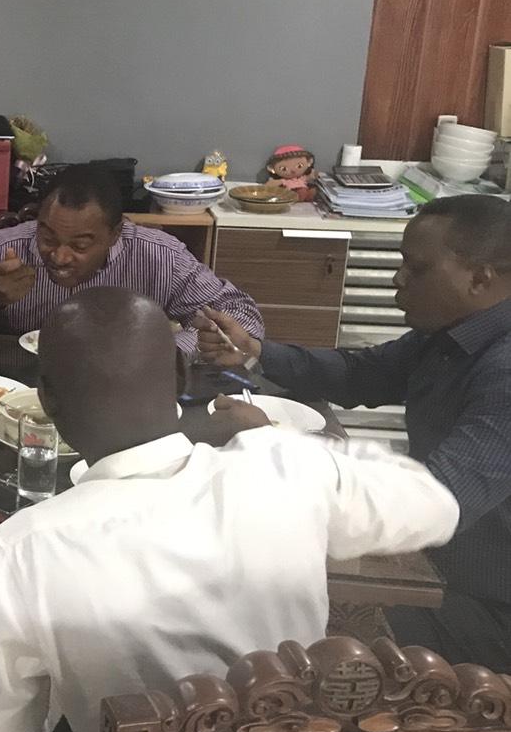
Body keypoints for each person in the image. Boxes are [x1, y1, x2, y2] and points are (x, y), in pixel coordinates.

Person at [0, 287, 458, 732]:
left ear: (45, 399)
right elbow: (435, 509)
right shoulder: (281, 466)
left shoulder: (28, 545)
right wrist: (272, 438)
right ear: (180, 374)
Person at [197, 194, 511, 672]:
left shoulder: (504, 370)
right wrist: (255, 353)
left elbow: (436, 500)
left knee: (265, 616)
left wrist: (273, 438)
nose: (398, 279)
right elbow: (360, 374)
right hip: (434, 564)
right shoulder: (453, 333)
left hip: (483, 607)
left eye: (416, 269)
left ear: (480, 279)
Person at [0, 164, 262, 350]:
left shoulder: (158, 256)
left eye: (80, 245)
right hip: (19, 390)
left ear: (114, 234)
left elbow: (242, 315)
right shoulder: (3, 250)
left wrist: (162, 352)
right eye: (47, 237)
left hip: (127, 393)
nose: (60, 256)